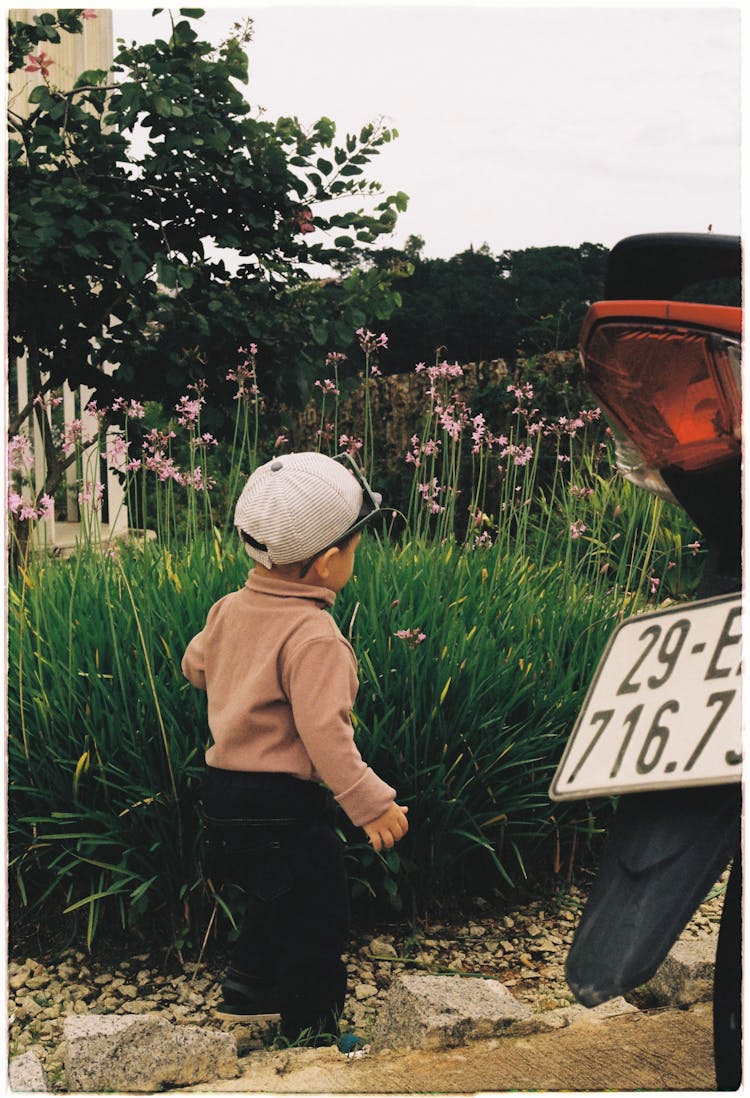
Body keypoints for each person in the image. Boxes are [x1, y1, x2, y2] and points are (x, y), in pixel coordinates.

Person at [182, 451, 409, 1046]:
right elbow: (325, 733)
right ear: (328, 563)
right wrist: (370, 802)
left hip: (223, 792)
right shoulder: (314, 636)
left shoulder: (229, 609)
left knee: (272, 892)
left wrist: (240, 668)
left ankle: (247, 995)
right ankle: (314, 1029)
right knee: (319, 912)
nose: (354, 560)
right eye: (354, 551)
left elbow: (195, 665)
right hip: (283, 798)